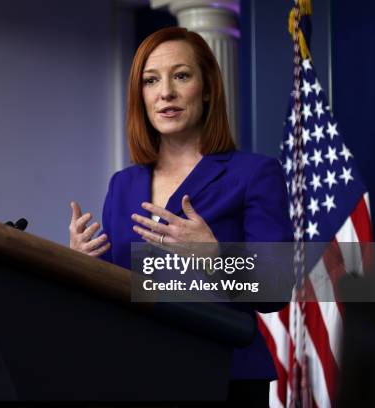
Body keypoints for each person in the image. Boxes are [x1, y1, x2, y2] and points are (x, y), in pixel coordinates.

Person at [69, 27, 293, 404]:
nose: (165, 92)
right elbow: (117, 288)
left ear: (207, 89)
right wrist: (81, 264)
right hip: (135, 373)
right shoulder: (122, 184)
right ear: (140, 96)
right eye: (151, 80)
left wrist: (213, 257)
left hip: (225, 376)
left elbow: (275, 288)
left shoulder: (254, 173)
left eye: (182, 76)